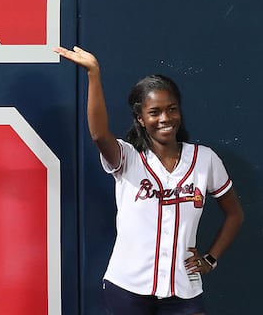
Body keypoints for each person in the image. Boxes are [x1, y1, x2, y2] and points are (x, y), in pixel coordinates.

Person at [54, 46, 244, 315]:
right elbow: (98, 135)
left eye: (172, 109)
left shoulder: (205, 160)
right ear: (141, 119)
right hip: (128, 289)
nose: (165, 118)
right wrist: (94, 74)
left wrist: (210, 259)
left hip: (184, 290)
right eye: (154, 112)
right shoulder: (128, 158)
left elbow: (235, 214)